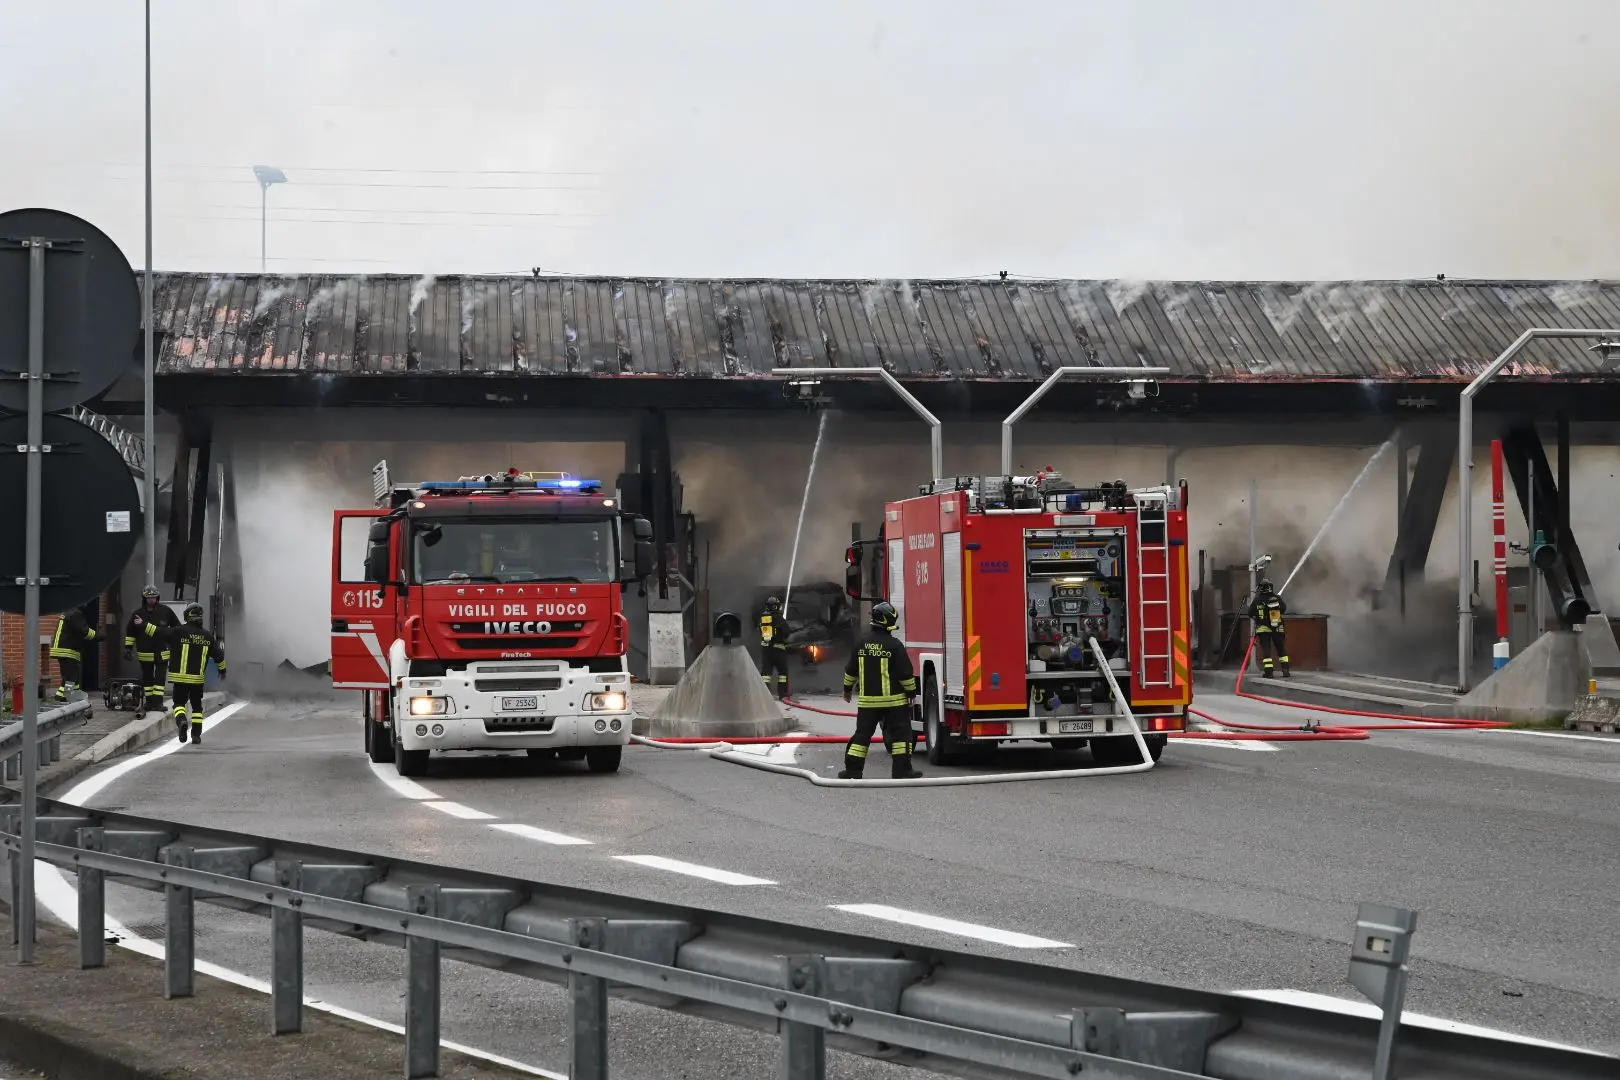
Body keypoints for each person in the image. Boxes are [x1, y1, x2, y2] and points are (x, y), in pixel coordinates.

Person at [839, 601, 923, 780]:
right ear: (889, 621)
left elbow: (850, 671)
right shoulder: (895, 646)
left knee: (861, 737)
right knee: (901, 737)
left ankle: (853, 771)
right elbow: (906, 674)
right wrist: (911, 693)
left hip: (868, 703)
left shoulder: (861, 645)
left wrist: (847, 690)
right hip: (895, 703)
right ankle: (902, 771)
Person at [160, 603, 227, 745]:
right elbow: (219, 656)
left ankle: (182, 720)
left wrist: (143, 625)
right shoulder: (208, 636)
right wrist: (222, 671)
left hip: (180, 679)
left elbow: (159, 633)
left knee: (178, 704)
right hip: (197, 680)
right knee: (197, 708)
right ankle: (196, 735)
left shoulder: (178, 632)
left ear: (187, 616)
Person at [124, 587, 178, 713]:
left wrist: (172, 643)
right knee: (147, 679)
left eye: (154, 597)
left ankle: (158, 703)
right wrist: (128, 648)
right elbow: (130, 633)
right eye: (149, 598)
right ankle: (149, 702)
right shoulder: (137, 614)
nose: (151, 600)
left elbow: (177, 628)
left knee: (160, 678)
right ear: (144, 598)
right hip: (145, 653)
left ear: (157, 598)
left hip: (162, 652)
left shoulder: (166, 611)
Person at [48, 605, 99, 703]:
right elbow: (84, 631)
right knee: (70, 680)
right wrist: (99, 636)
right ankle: (66, 699)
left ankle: (67, 698)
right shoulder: (75, 613)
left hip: (64, 650)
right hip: (67, 651)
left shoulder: (68, 611)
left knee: (71, 679)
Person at [1249, 579, 1290, 678]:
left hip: (1263, 629)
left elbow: (1250, 613)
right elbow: (1283, 609)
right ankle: (1285, 670)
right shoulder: (1276, 598)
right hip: (1277, 628)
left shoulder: (1257, 600)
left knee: (1266, 650)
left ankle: (1269, 672)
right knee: (1281, 649)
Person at [758, 595, 790, 701]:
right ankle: (783, 694)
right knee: (783, 673)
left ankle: (764, 696)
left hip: (766, 650)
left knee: (766, 674)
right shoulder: (779, 618)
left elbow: (760, 631)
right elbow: (787, 633)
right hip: (778, 650)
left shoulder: (763, 618)